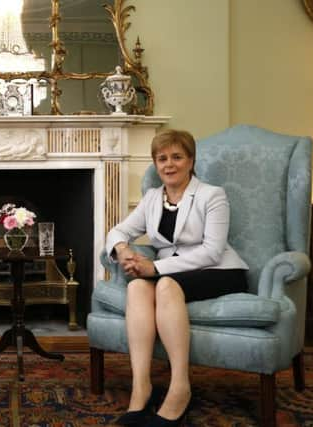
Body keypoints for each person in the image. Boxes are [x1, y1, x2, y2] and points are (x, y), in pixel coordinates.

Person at [105, 129, 249, 427]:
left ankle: (180, 387)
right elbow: (118, 231)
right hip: (176, 271)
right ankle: (141, 387)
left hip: (221, 271)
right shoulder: (152, 198)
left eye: (177, 157)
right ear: (155, 164)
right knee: (136, 289)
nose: (169, 164)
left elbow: (212, 251)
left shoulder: (212, 195)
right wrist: (124, 251)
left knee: (165, 285)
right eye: (162, 158)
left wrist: (154, 269)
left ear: (191, 160)